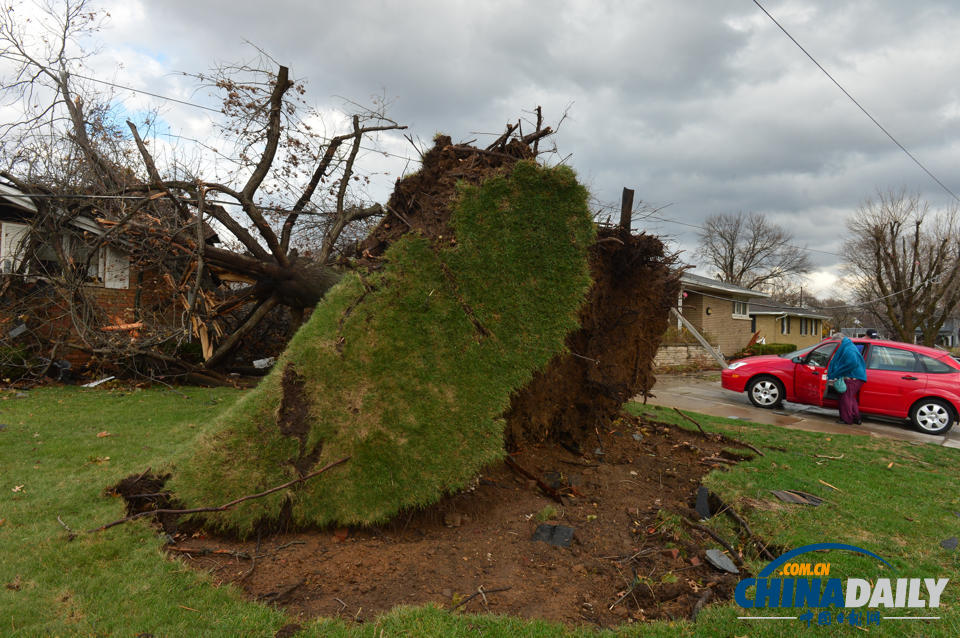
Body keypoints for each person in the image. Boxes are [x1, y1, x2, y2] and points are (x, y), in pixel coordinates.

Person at [826, 333, 867, 424]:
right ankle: (856, 418)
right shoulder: (849, 346)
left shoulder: (848, 349)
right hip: (858, 377)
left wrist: (837, 372)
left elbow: (852, 363)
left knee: (845, 398)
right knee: (850, 397)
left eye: (836, 343)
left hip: (853, 377)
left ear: (839, 341)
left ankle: (847, 419)